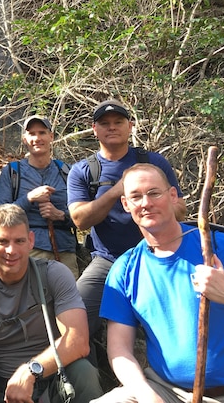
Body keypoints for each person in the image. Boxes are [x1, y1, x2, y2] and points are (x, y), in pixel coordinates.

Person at [92, 164, 224, 403]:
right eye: (136, 196)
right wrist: (145, 394)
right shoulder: (125, 268)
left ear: (173, 196)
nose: (145, 203)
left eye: (154, 193)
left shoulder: (223, 248)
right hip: (166, 391)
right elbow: (119, 350)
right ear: (125, 204)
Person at [0, 204, 102, 403]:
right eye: (2, 241)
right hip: (5, 391)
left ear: (31, 241)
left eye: (19, 241)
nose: (11, 250)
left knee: (84, 372)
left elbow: (78, 342)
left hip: (54, 382)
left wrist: (31, 371)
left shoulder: (54, 274)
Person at [67, 99, 186, 337]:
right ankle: (83, 369)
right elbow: (79, 220)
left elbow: (180, 210)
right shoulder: (84, 171)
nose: (112, 127)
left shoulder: (153, 163)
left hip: (159, 257)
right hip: (107, 261)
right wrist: (116, 191)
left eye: (118, 122)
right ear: (94, 129)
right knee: (75, 315)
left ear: (130, 126)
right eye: (105, 123)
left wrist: (147, 199)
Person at [0, 115, 79, 278]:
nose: (37, 138)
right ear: (25, 139)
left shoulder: (68, 172)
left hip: (65, 252)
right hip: (26, 251)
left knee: (69, 302)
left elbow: (84, 216)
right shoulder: (12, 172)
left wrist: (60, 215)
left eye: (42, 132)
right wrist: (29, 199)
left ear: (51, 136)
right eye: (32, 134)